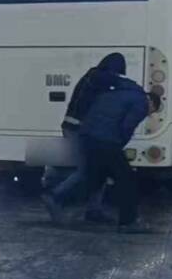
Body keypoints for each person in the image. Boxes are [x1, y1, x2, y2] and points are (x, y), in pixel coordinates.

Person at [43, 54, 159, 231]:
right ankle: (127, 222)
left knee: (96, 174)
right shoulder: (139, 100)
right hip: (100, 136)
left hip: (88, 132)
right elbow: (127, 126)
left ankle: (84, 207)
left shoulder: (113, 86)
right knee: (122, 177)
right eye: (152, 111)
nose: (149, 114)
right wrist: (119, 145)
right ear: (151, 102)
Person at [47, 54, 129, 223]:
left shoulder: (92, 75)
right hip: (79, 129)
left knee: (98, 169)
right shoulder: (102, 78)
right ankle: (55, 196)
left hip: (76, 127)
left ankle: (94, 210)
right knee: (85, 170)